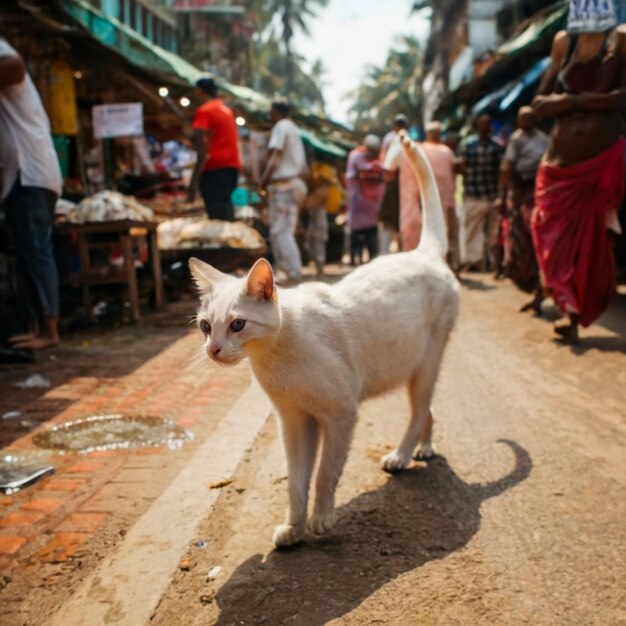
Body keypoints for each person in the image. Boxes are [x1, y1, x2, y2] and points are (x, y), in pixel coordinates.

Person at [531, 1, 626, 342]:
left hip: (601, 165)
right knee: (548, 236)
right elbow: (539, 103)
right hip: (558, 167)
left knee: (592, 245)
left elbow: (622, 98)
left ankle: (572, 315)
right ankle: (565, 305)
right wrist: (558, 93)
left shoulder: (621, 39)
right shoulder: (563, 43)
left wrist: (571, 102)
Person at [0, 38, 63, 350]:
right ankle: (38, 327)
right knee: (28, 255)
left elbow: (14, 64)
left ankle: (49, 331)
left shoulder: (7, 58)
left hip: (31, 174)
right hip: (22, 177)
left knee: (36, 253)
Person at [497, 106, 549, 310]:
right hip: (520, 194)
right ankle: (533, 286)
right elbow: (507, 168)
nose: (525, 122)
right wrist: (502, 196)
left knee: (538, 240)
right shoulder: (516, 139)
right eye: (522, 118)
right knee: (521, 240)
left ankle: (540, 288)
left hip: (539, 193)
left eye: (529, 118)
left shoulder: (544, 140)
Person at [260, 99, 308, 283]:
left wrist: (263, 181)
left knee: (280, 231)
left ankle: (293, 272)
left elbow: (275, 156)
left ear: (276, 111)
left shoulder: (281, 126)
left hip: (283, 185)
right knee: (285, 230)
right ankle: (288, 272)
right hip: (294, 184)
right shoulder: (294, 128)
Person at [187, 77, 241, 221]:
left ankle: (225, 244)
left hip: (214, 170)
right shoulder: (226, 110)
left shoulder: (204, 111)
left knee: (217, 215)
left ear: (199, 91)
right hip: (231, 169)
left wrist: (194, 182)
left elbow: (201, 149)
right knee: (226, 210)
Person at [458, 114, 503, 271]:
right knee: (473, 230)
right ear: (477, 126)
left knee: (492, 232)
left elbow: (501, 172)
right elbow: (461, 168)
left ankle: (491, 262)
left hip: (491, 194)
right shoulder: (468, 145)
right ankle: (475, 262)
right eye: (482, 124)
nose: (485, 127)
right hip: (473, 194)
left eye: (487, 124)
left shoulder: (496, 147)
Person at [422, 121, 458, 270]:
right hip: (431, 200)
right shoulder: (444, 151)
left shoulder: (445, 151)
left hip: (440, 199)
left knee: (444, 233)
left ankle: (447, 265)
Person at [346, 135, 386, 265]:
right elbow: (355, 174)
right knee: (356, 233)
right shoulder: (355, 156)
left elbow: (384, 176)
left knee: (371, 234)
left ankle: (372, 259)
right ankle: (354, 258)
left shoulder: (380, 160)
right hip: (358, 203)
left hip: (372, 206)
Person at [303, 163, 337, 275]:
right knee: (315, 239)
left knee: (318, 239)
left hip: (319, 219)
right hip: (315, 219)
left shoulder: (323, 189)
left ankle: (320, 264)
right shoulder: (321, 188)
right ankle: (318, 263)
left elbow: (309, 204)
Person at [378, 114, 405, 254]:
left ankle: (388, 252)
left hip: (395, 181)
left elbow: (384, 160)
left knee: (391, 219)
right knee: (394, 219)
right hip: (396, 182)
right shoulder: (396, 139)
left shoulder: (392, 139)